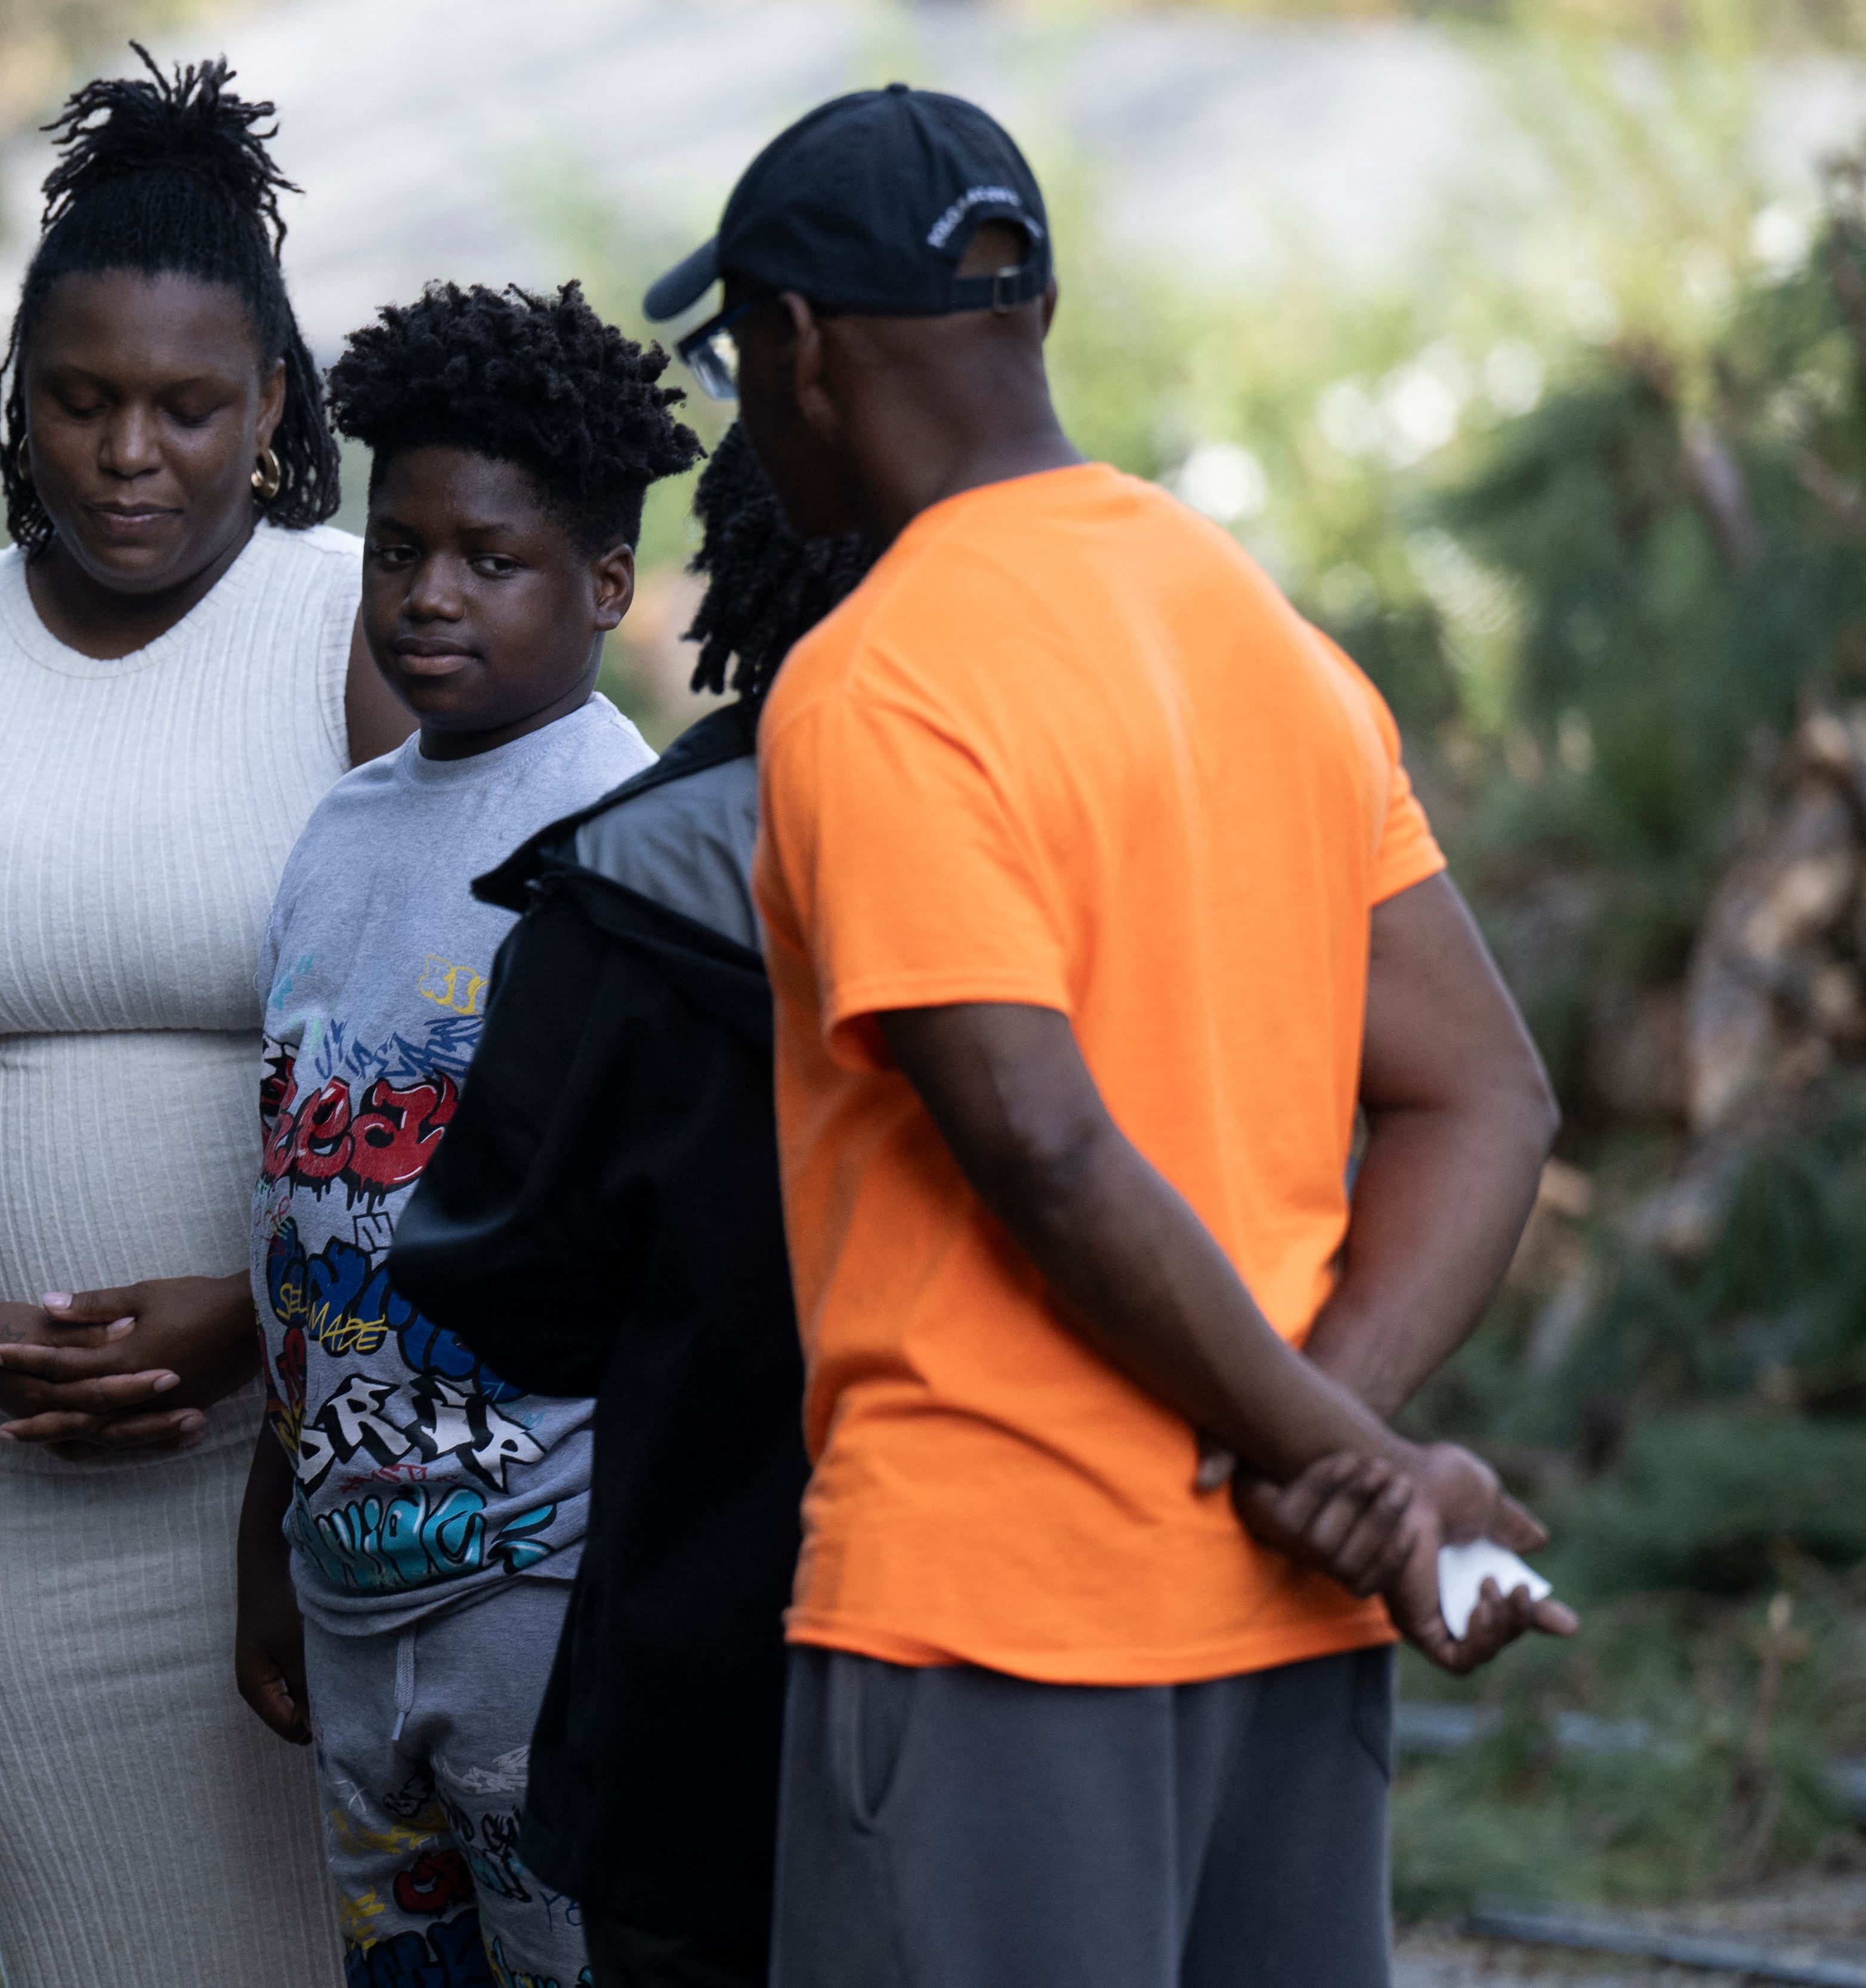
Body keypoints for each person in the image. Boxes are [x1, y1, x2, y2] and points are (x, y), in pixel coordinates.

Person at [645, 86, 1582, 1984]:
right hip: (1282, 1624)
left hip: (995, 1618)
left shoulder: (883, 682)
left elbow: (1044, 1146)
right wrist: (1346, 1450)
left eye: (739, 355)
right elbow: (1487, 1095)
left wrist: (1330, 1455)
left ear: (800, 348)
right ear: (1031, 315)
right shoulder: (1263, 640)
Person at [0, 51, 410, 1987]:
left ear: (274, 403)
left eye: (191, 407)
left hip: (317, 1461)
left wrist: (266, 1325)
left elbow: (507, 1009)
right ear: (19, 401)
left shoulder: (367, 627)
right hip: (1, 1486)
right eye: (86, 401)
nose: (133, 452)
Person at [233, 279, 697, 1988]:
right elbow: (292, 1208)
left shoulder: (635, 847)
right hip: (348, 1582)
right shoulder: (340, 836)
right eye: (395, 549)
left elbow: (680, 1264)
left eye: (487, 561)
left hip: (547, 1586)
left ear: (603, 585)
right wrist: (271, 1531)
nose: (427, 598)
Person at [384, 427, 869, 1988]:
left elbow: (507, 1278)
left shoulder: (621, 890)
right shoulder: (1083, 842)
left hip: (699, 1650)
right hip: (1025, 1653)